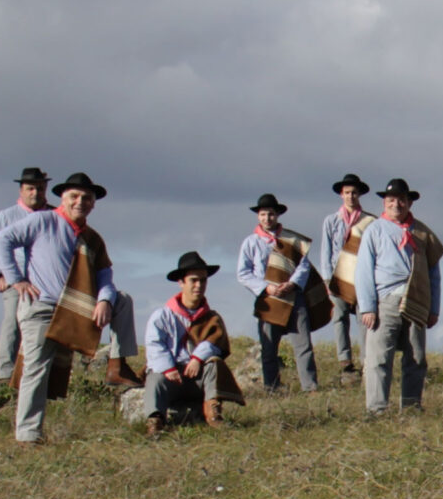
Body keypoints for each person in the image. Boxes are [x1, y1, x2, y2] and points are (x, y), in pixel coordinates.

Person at [0, 171, 119, 444]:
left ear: (93, 203)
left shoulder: (93, 238)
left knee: (124, 302)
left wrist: (105, 299)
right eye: (74, 196)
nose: (80, 202)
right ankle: (28, 435)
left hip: (75, 309)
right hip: (41, 306)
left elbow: (105, 274)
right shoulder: (42, 220)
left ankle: (119, 365)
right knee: (36, 367)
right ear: (62, 198)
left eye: (86, 198)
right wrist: (17, 280)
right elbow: (1, 240)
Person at [355, 179, 443, 412]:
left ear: (409, 202)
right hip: (386, 300)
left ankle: (412, 408)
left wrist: (434, 308)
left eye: (401, 200)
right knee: (379, 358)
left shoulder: (422, 232)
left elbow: (434, 273)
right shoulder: (374, 230)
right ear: (385, 202)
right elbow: (363, 270)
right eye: (392, 200)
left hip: (416, 299)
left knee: (416, 357)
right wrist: (367, 306)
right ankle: (377, 409)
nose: (397, 204)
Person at [141, 251, 241, 435]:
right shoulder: (162, 316)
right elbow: (155, 345)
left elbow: (217, 342)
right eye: (194, 280)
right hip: (171, 378)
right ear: (181, 282)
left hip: (197, 378)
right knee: (155, 376)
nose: (199, 285)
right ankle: (155, 422)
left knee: (214, 364)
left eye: (203, 280)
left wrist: (197, 358)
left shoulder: (212, 317)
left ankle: (213, 414)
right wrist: (169, 368)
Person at [236, 193, 321, 393]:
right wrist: (266, 287)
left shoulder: (291, 239)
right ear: (258, 216)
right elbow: (243, 273)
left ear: (277, 215)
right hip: (268, 299)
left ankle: (310, 386)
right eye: (264, 214)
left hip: (293, 297)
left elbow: (303, 266)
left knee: (303, 344)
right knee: (269, 347)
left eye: (271, 214)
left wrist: (291, 284)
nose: (267, 218)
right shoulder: (250, 242)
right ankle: (271, 387)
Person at [0, 167, 47, 391]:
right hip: (14, 281)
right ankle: (6, 373)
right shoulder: (6, 216)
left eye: (39, 188)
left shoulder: (53, 215)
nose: (35, 193)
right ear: (21, 190)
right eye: (30, 188)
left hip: (45, 283)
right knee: (12, 323)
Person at [317, 174, 374, 379]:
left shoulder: (369, 221)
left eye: (354, 193)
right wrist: (326, 279)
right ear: (341, 195)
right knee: (339, 317)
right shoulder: (331, 221)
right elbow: (326, 252)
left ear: (359, 195)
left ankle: (367, 360)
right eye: (347, 192)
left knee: (364, 317)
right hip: (338, 276)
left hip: (361, 276)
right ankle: (345, 361)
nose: (351, 196)